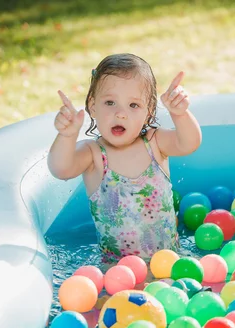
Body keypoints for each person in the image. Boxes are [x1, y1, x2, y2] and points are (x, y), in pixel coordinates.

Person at [48, 53, 202, 264]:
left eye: (133, 105)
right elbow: (60, 169)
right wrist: (67, 135)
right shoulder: (93, 154)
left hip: (170, 262)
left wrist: (180, 114)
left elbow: (189, 143)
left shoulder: (155, 142)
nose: (121, 113)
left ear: (148, 112)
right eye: (110, 102)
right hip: (117, 273)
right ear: (93, 106)